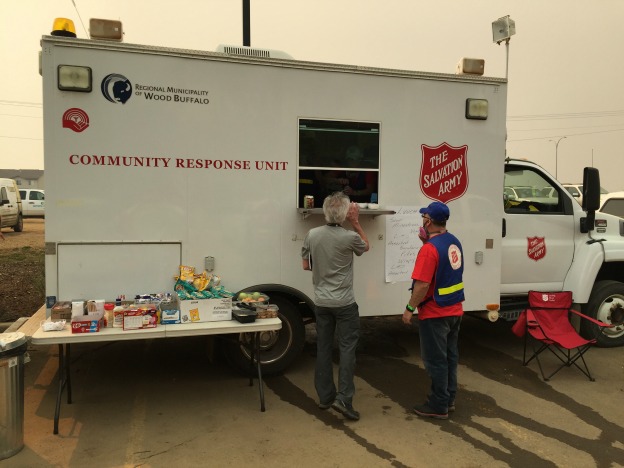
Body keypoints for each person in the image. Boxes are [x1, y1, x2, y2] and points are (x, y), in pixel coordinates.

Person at [301, 192, 369, 421]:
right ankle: (344, 399)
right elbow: (366, 247)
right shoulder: (349, 237)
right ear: (344, 214)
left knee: (323, 348)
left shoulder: (312, 234)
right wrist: (356, 222)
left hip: (321, 301)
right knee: (347, 348)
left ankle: (325, 397)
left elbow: (305, 265)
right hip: (345, 302)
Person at [402, 201, 464, 420]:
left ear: (428, 221)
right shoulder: (453, 241)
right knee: (449, 358)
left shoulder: (429, 250)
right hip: (454, 310)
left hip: (435, 314)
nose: (422, 220)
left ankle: (438, 404)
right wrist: (425, 242)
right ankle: (449, 399)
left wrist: (409, 308)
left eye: (424, 217)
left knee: (436, 361)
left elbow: (422, 285)